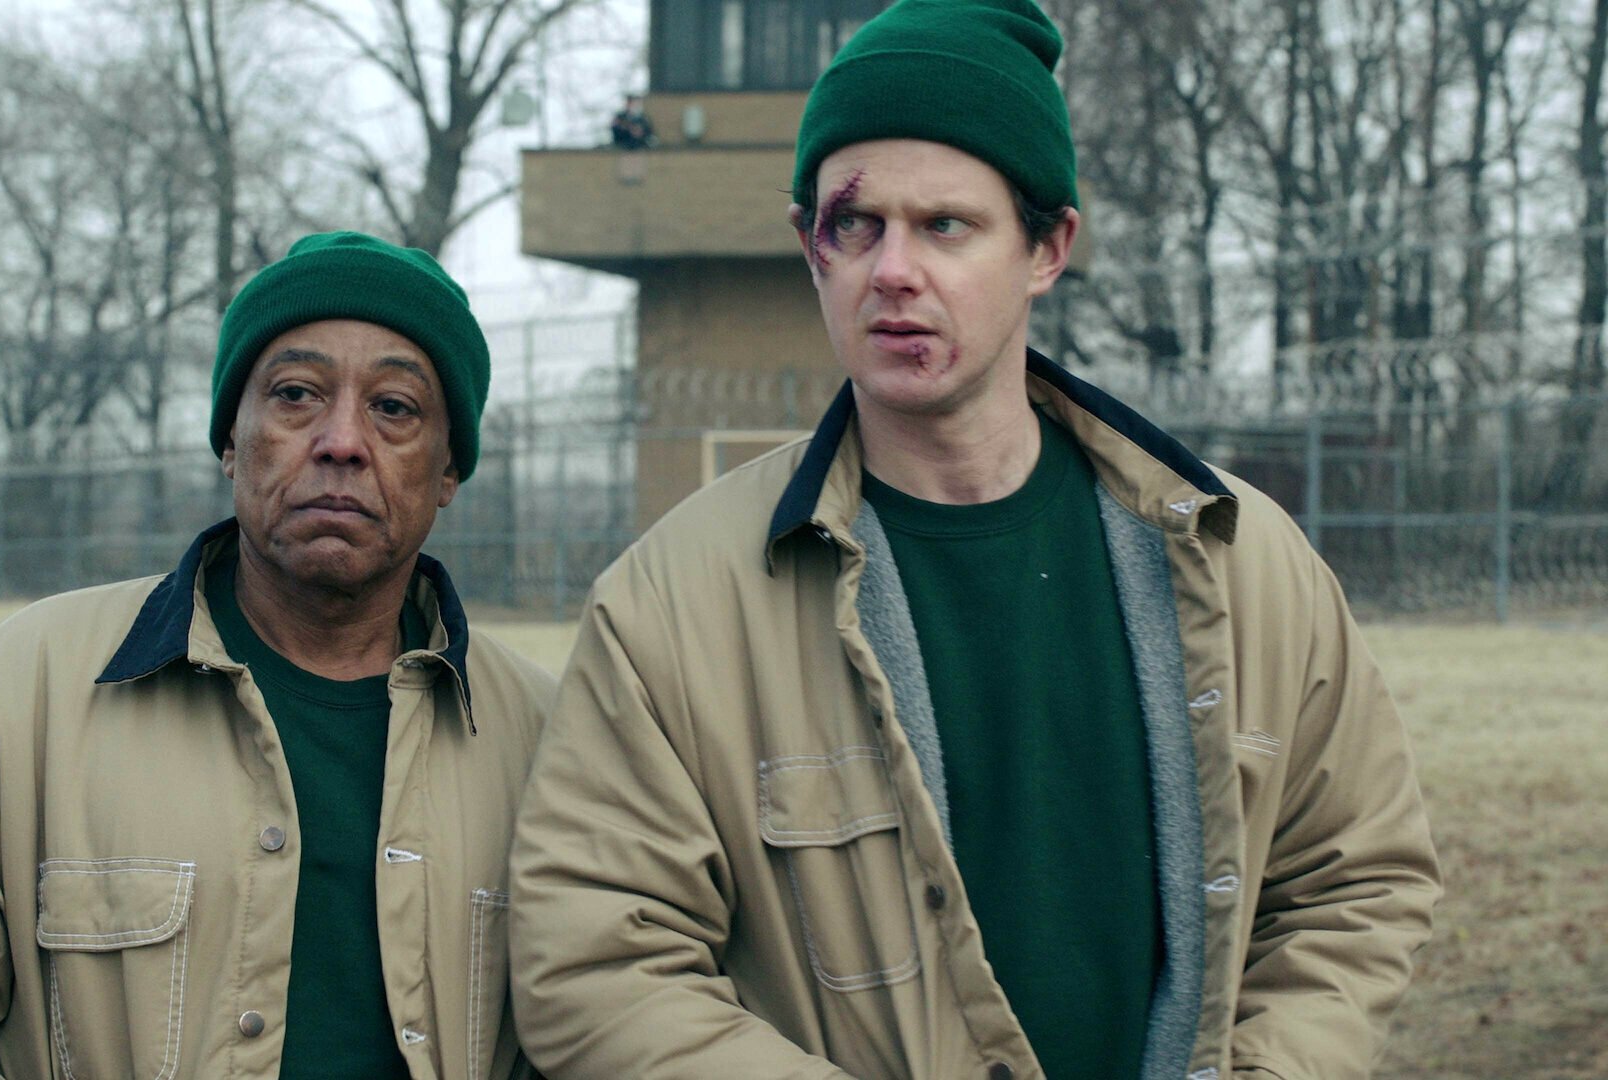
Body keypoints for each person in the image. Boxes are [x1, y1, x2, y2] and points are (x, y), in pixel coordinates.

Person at [509, 3, 1441, 1079]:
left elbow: (1354, 881)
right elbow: (598, 964)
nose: (893, 270)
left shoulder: (1242, 563)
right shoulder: (674, 605)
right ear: (811, 247)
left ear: (1047, 248)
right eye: (856, 226)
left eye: (945, 225)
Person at [0, 231, 555, 1079]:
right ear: (231, 440)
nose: (342, 439)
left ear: (448, 471)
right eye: (296, 394)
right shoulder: (13, 694)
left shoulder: (549, 744)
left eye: (395, 407)